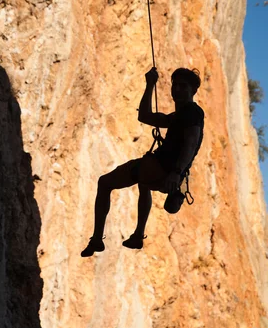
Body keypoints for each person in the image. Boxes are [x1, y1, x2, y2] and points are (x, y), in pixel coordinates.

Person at [81, 67, 204, 257]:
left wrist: (176, 171)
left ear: (193, 91)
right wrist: (150, 85)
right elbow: (144, 116)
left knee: (105, 183)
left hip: (162, 170)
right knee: (144, 185)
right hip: (164, 175)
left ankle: (97, 238)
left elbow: (191, 142)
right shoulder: (177, 116)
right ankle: (138, 235)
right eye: (175, 85)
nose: (177, 89)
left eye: (183, 86)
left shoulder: (192, 112)